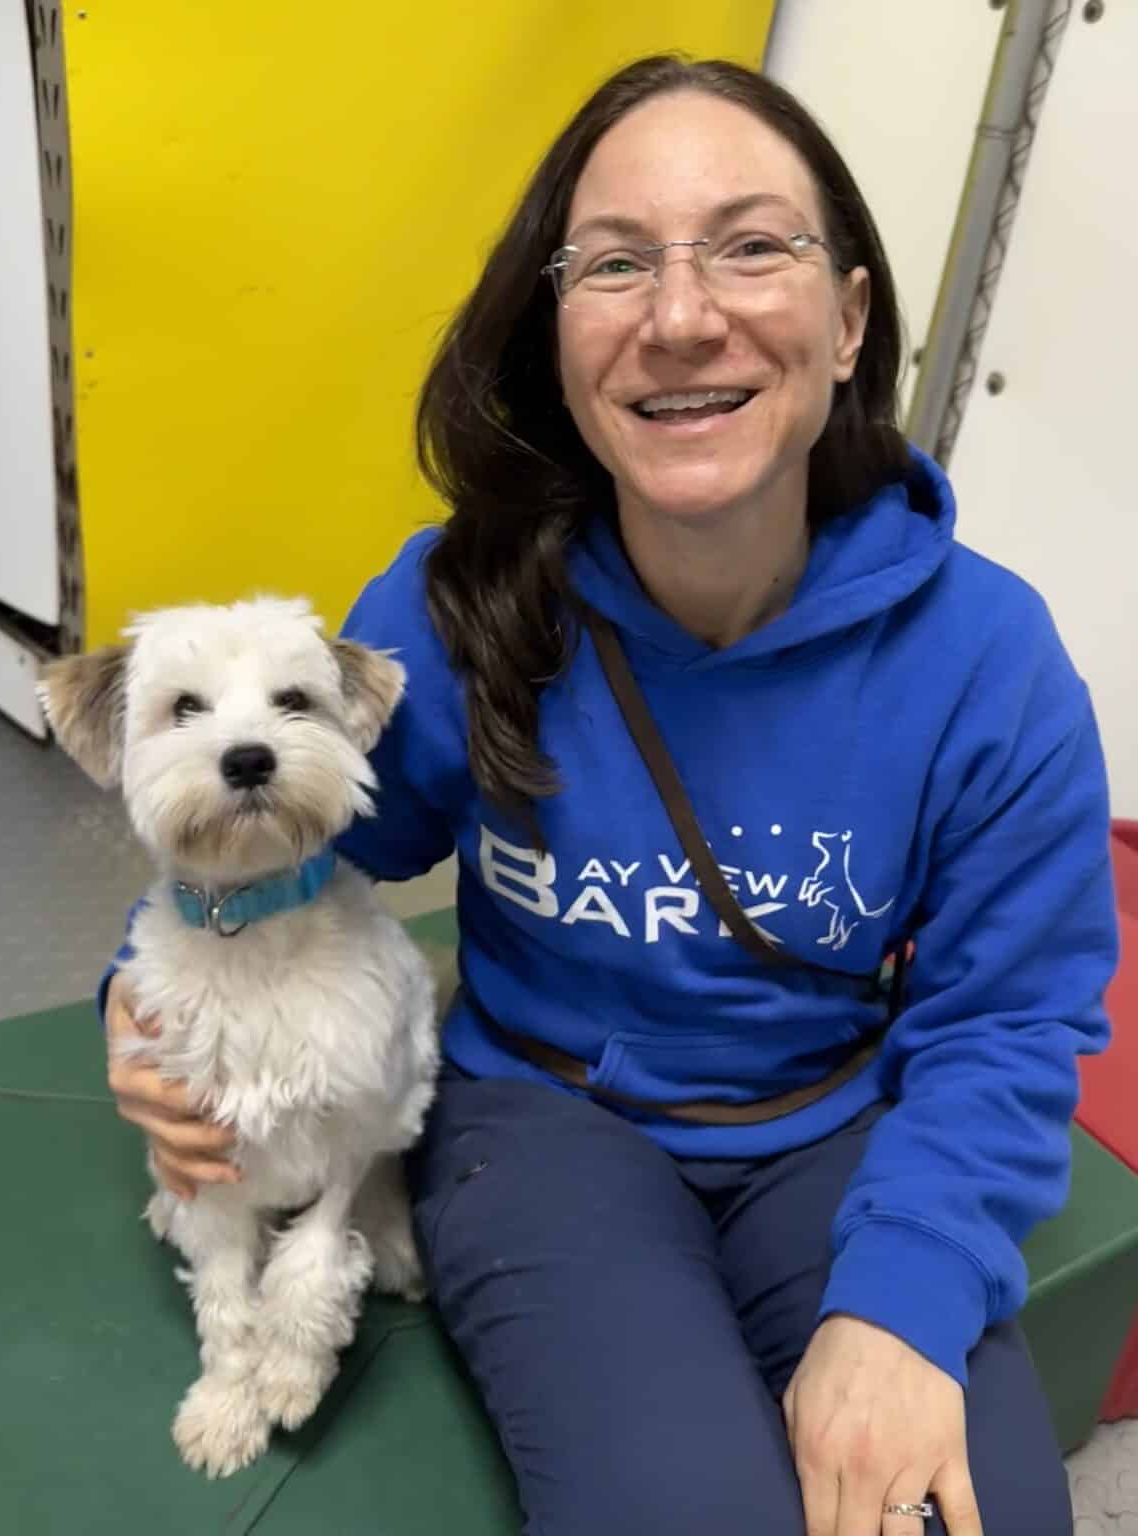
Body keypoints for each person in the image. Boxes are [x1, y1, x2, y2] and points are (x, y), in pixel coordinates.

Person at [103, 55, 1117, 1536]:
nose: (683, 312)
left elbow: (1011, 1016)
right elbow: (269, 852)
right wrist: (142, 1010)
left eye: (753, 244)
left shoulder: (987, 657)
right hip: (542, 1126)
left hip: (832, 1118)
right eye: (617, 262)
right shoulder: (455, 608)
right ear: (557, 341)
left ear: (847, 321)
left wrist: (900, 1308)